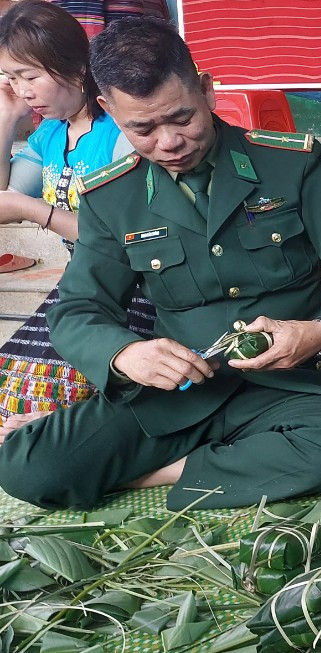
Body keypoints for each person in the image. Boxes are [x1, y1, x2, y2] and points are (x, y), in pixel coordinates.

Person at [0, 17, 321, 510]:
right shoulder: (112, 197)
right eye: (141, 128)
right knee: (28, 465)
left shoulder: (289, 166)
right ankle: (222, 461)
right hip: (179, 395)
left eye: (181, 118)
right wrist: (125, 353)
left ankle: (155, 476)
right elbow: (79, 307)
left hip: (295, 386)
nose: (168, 142)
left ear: (207, 91)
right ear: (109, 110)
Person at [0, 0, 152, 437]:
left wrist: (37, 212)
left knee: (41, 394)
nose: (22, 90)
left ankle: (86, 434)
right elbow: (7, 196)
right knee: (10, 382)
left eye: (29, 77)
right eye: (12, 79)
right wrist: (7, 120)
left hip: (140, 285)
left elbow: (129, 235)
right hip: (86, 284)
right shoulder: (51, 133)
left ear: (77, 68)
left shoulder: (121, 132)